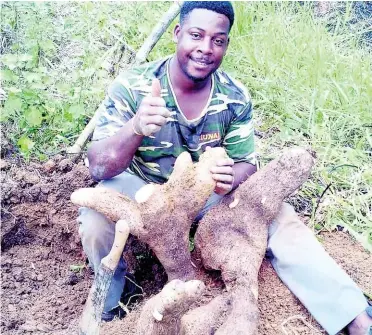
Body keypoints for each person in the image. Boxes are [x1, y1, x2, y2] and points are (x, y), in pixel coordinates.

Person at [77, 1, 372, 334]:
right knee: (95, 220)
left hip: (205, 196)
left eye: (218, 40)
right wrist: (135, 127)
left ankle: (352, 315)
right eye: (196, 35)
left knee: (279, 216)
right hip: (144, 191)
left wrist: (230, 177)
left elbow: (247, 164)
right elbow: (99, 167)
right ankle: (111, 306)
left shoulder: (234, 97)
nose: (205, 48)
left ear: (226, 45)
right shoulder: (134, 86)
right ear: (177, 34)